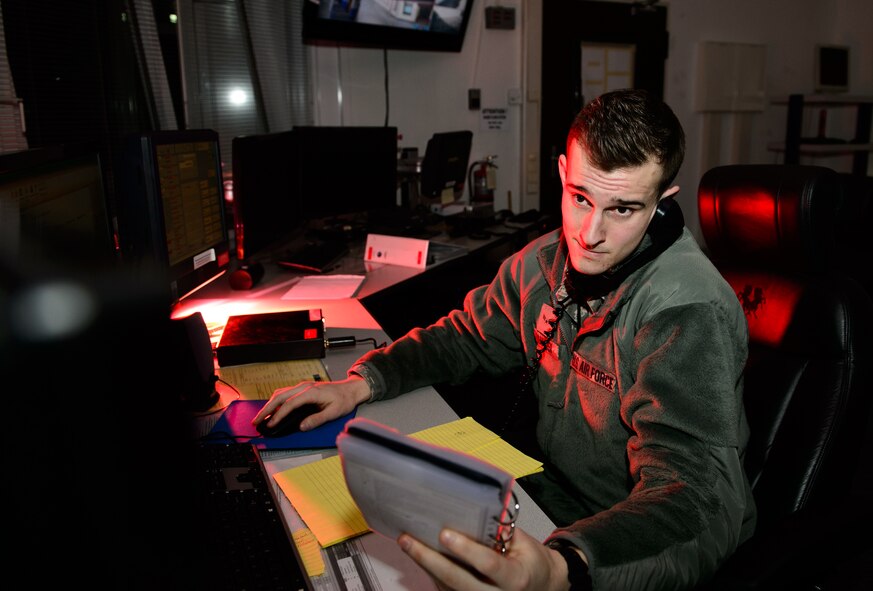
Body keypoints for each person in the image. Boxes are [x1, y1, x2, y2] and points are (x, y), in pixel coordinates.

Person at [254, 88, 756, 590]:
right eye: (580, 197)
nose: (590, 233)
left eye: (623, 209)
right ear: (562, 173)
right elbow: (467, 337)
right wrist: (363, 381)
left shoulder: (686, 311)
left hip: (619, 543)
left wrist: (560, 567)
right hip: (545, 504)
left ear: (662, 204)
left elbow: (693, 501)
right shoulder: (543, 263)